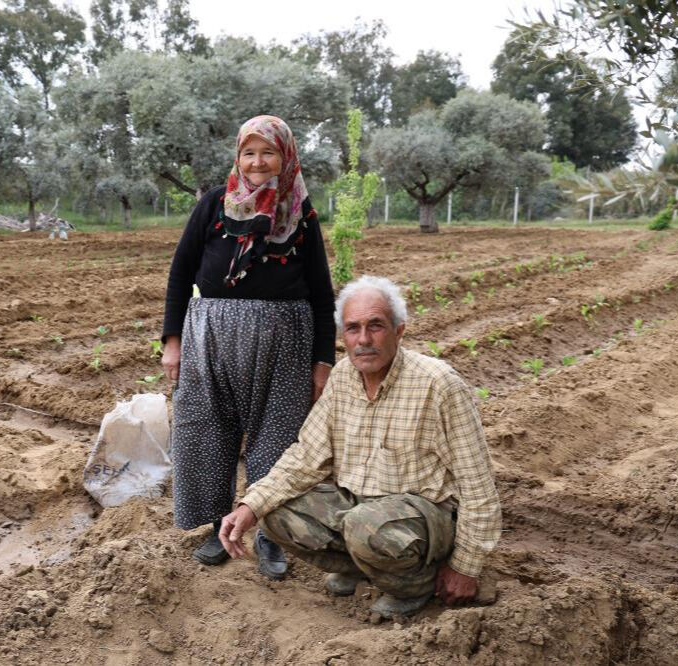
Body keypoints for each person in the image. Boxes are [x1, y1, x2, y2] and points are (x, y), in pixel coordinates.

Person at [217, 275, 502, 618]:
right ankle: (365, 568)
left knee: (365, 526)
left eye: (375, 326)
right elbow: (306, 456)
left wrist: (465, 567)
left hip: (426, 519)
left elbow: (478, 485)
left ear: (399, 331)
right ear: (344, 336)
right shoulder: (342, 377)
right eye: (353, 328)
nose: (364, 340)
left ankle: (416, 583)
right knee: (275, 511)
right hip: (360, 512)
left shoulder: (439, 384)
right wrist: (250, 506)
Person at [161, 115, 336, 580]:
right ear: (238, 157)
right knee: (205, 429)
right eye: (249, 153)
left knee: (277, 439)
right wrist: (173, 343)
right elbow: (180, 274)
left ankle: (270, 533)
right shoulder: (214, 205)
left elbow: (322, 293)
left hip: (285, 344)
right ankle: (217, 525)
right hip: (209, 340)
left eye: (268, 152)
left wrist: (322, 362)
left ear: (286, 157)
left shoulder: (300, 214)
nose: (258, 162)